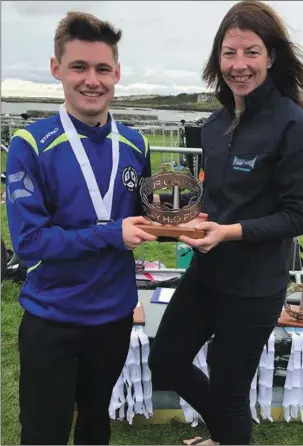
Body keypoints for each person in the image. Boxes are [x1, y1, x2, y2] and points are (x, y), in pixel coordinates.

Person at [148, 1, 303, 445]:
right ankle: (227, 434)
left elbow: (299, 215)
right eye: (229, 53)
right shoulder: (215, 124)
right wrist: (193, 220)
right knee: (165, 360)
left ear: (271, 57)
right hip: (206, 273)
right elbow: (221, 197)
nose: (238, 65)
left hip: (254, 287)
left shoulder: (295, 127)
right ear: (217, 57)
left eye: (251, 52)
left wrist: (229, 232)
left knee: (228, 393)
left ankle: (225, 435)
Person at [6, 11, 156, 445]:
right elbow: (30, 243)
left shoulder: (136, 143)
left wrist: (173, 216)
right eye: (79, 67)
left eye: (102, 68)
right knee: (44, 433)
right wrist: (111, 234)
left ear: (117, 73)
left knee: (95, 424)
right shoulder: (30, 143)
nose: (92, 80)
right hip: (53, 318)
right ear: (57, 70)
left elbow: (144, 212)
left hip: (112, 316)